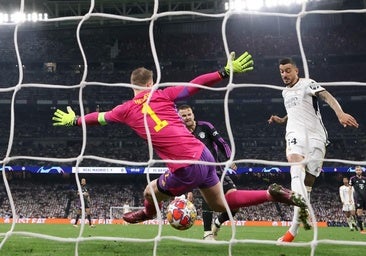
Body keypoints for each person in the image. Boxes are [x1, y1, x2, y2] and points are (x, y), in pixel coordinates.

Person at [52, 52, 308, 233]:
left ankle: (148, 214)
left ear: (131, 85)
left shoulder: (124, 109)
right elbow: (194, 85)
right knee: (219, 204)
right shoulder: (164, 94)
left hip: (185, 165)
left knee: (150, 191)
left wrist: (75, 120)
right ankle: (272, 194)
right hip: (204, 155)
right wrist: (224, 71)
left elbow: (99, 118)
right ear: (151, 83)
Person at [268, 58, 359, 242]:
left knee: (307, 185)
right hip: (295, 134)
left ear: (296, 71)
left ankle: (294, 226)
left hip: (316, 137)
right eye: (281, 71)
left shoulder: (307, 83)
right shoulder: (285, 92)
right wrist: (282, 120)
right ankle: (296, 223)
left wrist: (340, 113)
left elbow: (327, 96)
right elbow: (294, 111)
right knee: (295, 165)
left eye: (287, 70)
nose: (284, 74)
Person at [178, 104, 238, 240]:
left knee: (235, 204)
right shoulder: (181, 134)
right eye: (183, 116)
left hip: (218, 171)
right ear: (179, 118)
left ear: (193, 114)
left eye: (189, 114)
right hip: (200, 175)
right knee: (208, 199)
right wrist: (189, 189)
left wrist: (229, 158)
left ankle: (217, 223)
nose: (187, 118)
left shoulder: (205, 126)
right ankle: (207, 234)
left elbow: (222, 142)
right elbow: (184, 163)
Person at [349, 166, 366, 234]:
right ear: (355, 171)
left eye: (359, 170)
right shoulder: (353, 179)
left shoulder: (365, 179)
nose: (358, 171)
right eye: (357, 170)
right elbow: (350, 188)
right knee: (359, 213)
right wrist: (350, 198)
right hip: (358, 198)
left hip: (365, 197)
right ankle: (362, 230)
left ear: (361, 171)